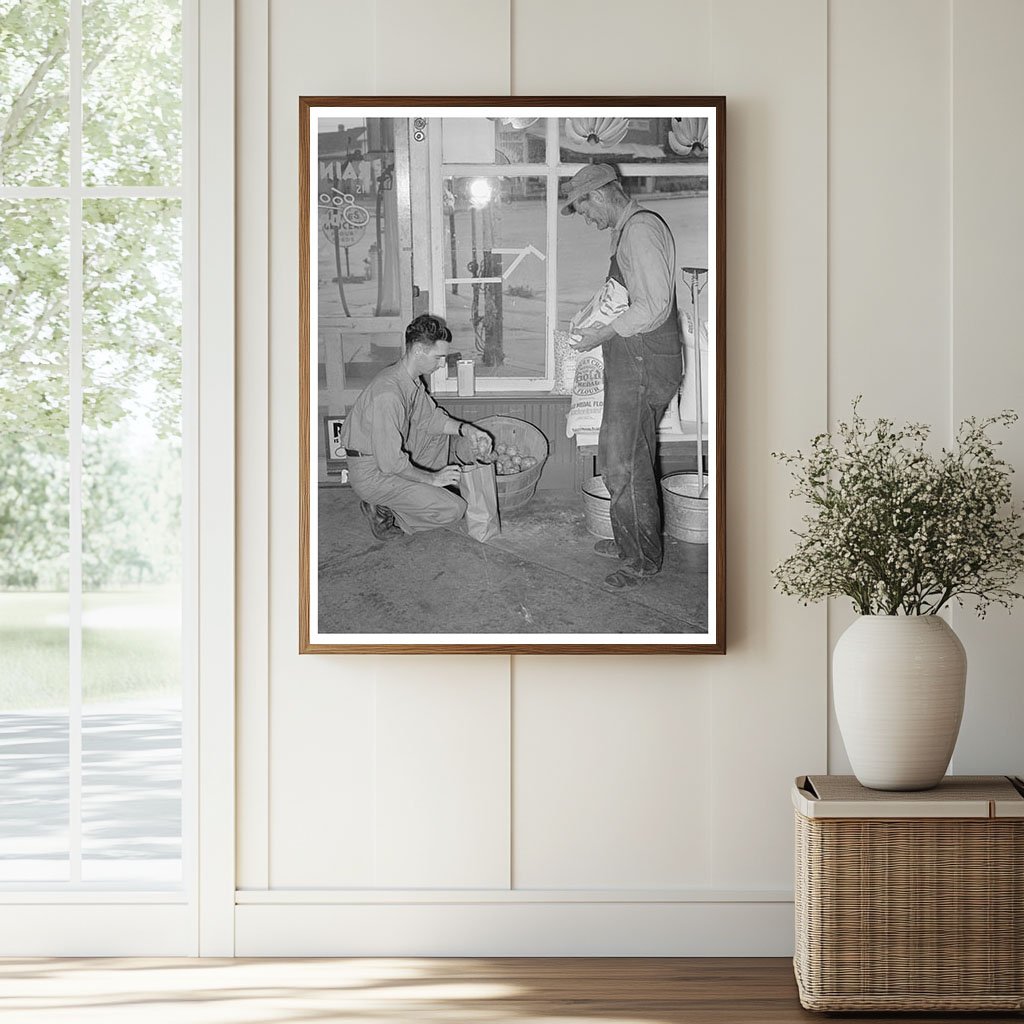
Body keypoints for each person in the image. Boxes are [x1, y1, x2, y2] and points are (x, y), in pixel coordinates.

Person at [563, 163, 683, 589]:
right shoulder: (629, 229)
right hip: (637, 361)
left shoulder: (640, 230)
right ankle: (630, 542)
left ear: (598, 195)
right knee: (624, 458)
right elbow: (631, 298)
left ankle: (642, 560)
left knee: (624, 463)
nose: (587, 219)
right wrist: (596, 315)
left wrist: (603, 332)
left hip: (644, 363)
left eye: (584, 210)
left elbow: (653, 306)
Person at [340, 314, 492, 540]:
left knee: (438, 433)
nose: (442, 364)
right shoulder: (388, 394)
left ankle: (412, 496)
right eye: (438, 357)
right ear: (419, 350)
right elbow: (391, 463)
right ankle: (386, 512)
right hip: (372, 474)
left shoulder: (408, 379)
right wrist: (433, 478)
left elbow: (432, 420)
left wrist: (468, 429)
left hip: (384, 461)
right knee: (454, 509)